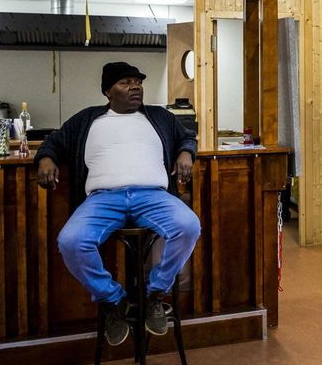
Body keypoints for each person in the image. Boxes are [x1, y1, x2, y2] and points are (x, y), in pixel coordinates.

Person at [35, 62, 200, 347]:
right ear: (108, 91)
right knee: (71, 241)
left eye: (138, 81)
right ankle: (114, 300)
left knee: (188, 226)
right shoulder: (88, 119)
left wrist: (186, 153)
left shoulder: (159, 116)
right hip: (102, 199)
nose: (135, 86)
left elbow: (187, 137)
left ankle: (153, 295)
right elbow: (53, 141)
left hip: (153, 196)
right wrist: (46, 159)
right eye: (126, 82)